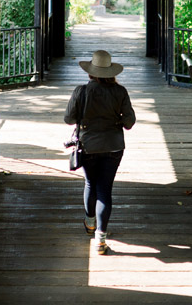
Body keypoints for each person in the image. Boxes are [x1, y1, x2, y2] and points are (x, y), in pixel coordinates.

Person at [64, 49, 136, 255]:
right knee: (105, 190)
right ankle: (100, 240)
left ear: (90, 73)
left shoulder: (81, 91)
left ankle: (89, 223)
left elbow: (68, 119)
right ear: (111, 73)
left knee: (90, 183)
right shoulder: (120, 92)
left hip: (88, 146)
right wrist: (116, 120)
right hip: (114, 146)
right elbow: (129, 122)